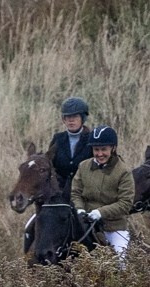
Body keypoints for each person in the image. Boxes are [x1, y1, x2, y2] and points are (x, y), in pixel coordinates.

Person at [70, 126, 136, 259]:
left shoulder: (123, 172)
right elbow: (76, 193)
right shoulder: (83, 166)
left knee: (121, 260)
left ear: (113, 148)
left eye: (103, 149)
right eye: (96, 150)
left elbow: (125, 203)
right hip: (85, 223)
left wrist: (100, 212)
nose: (99, 154)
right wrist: (80, 209)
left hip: (113, 227)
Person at [49, 98, 95, 198]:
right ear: (63, 119)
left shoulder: (92, 139)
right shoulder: (58, 138)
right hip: (60, 192)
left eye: (75, 116)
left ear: (83, 118)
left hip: (86, 193)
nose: (71, 120)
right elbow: (50, 166)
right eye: (67, 117)